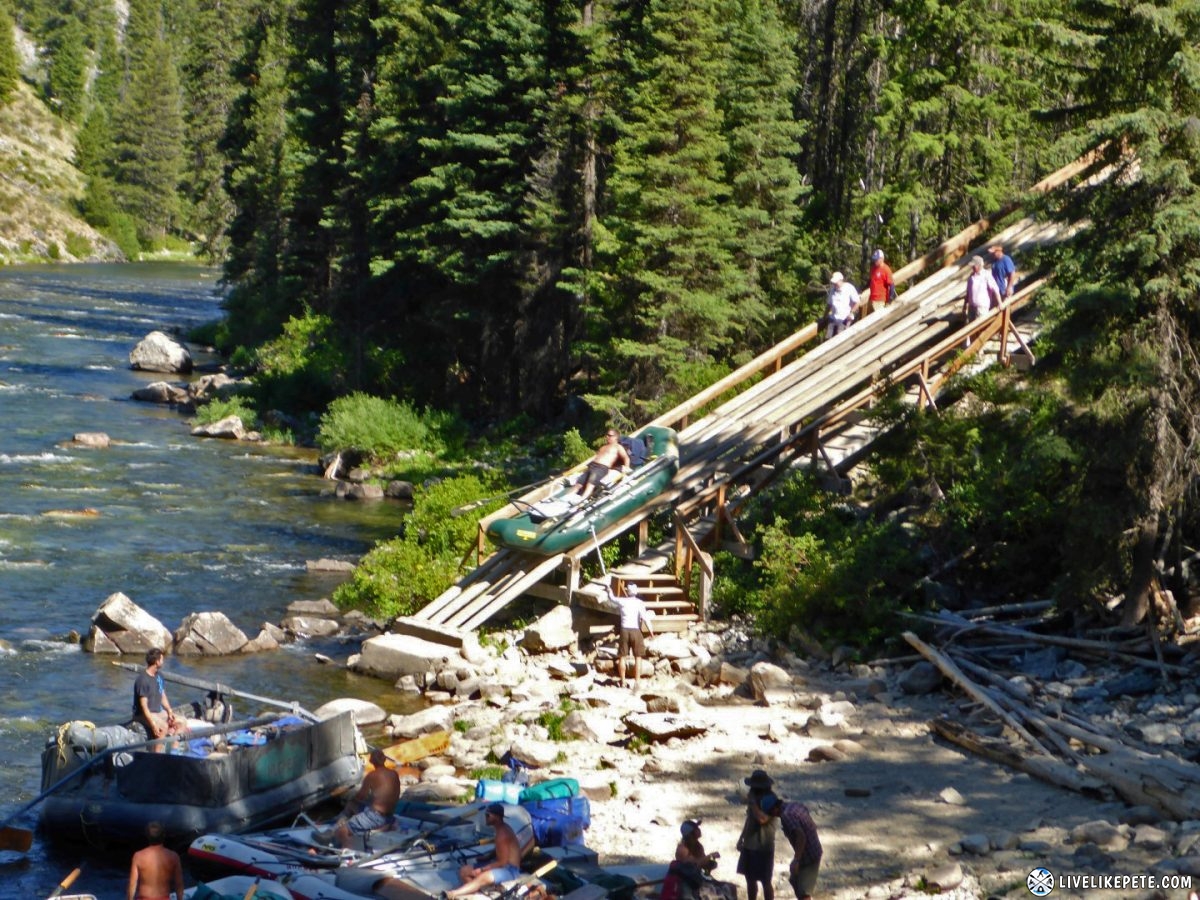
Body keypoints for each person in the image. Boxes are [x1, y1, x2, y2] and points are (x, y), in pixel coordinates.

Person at [317, 746, 402, 847]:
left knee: (342, 831)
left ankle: (347, 855)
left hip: (375, 817)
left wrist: (353, 800)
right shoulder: (394, 774)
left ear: (371, 761)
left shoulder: (372, 776)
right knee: (352, 806)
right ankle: (337, 821)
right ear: (384, 759)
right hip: (389, 816)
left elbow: (361, 796)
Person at [443, 803, 523, 899]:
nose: (485, 817)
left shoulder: (502, 834)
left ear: (496, 817)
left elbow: (503, 862)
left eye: (488, 815)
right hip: (503, 866)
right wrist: (487, 857)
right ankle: (476, 894)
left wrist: (481, 869)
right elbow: (503, 849)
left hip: (510, 870)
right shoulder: (501, 828)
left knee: (482, 877)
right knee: (464, 871)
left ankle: (453, 894)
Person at [760, 793, 822, 900]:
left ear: (775, 809)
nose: (772, 816)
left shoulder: (786, 816)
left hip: (808, 855)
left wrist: (796, 860)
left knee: (803, 891)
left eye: (770, 813)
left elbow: (801, 836)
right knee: (794, 880)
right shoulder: (795, 805)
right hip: (814, 848)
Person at [132, 648, 185, 751]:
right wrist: (153, 724)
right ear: (157, 662)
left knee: (181, 722)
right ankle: (157, 756)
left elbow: (162, 695)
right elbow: (144, 707)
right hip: (143, 714)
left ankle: (175, 751)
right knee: (164, 727)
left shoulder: (159, 676)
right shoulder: (142, 680)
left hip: (158, 712)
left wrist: (169, 711)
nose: (163, 662)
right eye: (162, 659)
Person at [736, 770, 776, 900]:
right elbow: (749, 819)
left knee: (765, 881)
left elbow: (763, 819)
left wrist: (753, 803)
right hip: (750, 844)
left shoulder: (771, 800)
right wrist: (741, 837)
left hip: (763, 846)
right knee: (750, 879)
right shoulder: (754, 798)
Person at [609, 581, 654, 689]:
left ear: (627, 591)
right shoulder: (639, 603)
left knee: (622, 657)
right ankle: (637, 682)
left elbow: (612, 598)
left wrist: (609, 591)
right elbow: (645, 618)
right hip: (636, 631)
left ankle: (623, 681)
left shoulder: (622, 601)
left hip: (624, 630)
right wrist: (651, 631)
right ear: (636, 591)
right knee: (638, 657)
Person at [127, 821, 185, 900]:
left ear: (147, 836)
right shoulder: (174, 856)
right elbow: (179, 884)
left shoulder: (138, 856)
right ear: (163, 836)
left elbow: (132, 884)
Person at [574, 429, 631, 502]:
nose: (607, 437)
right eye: (606, 435)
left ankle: (582, 500)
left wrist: (626, 468)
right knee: (578, 484)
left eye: (610, 435)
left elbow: (626, 458)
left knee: (590, 484)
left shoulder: (618, 447)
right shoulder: (603, 447)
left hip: (601, 467)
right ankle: (566, 500)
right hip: (592, 466)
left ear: (616, 437)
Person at [962, 256, 1001, 325]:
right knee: (971, 327)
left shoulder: (986, 275)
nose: (972, 267)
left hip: (982, 307)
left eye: (974, 266)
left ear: (979, 265)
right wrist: (965, 305)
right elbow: (968, 292)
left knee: (981, 325)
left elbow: (995, 289)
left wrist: (999, 303)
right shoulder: (971, 276)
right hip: (972, 307)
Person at [825, 272, 859, 338]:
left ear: (841, 280)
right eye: (834, 283)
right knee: (828, 337)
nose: (835, 284)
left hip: (844, 318)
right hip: (833, 317)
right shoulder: (832, 290)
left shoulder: (849, 288)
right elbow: (829, 304)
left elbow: (857, 302)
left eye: (836, 283)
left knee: (839, 337)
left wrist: (851, 313)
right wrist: (825, 315)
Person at [865, 249, 895, 314]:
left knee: (878, 319)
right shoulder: (873, 268)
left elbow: (891, 285)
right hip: (871, 298)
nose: (875, 261)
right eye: (874, 259)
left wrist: (890, 299)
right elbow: (871, 281)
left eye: (877, 259)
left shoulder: (886, 269)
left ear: (882, 259)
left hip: (880, 300)